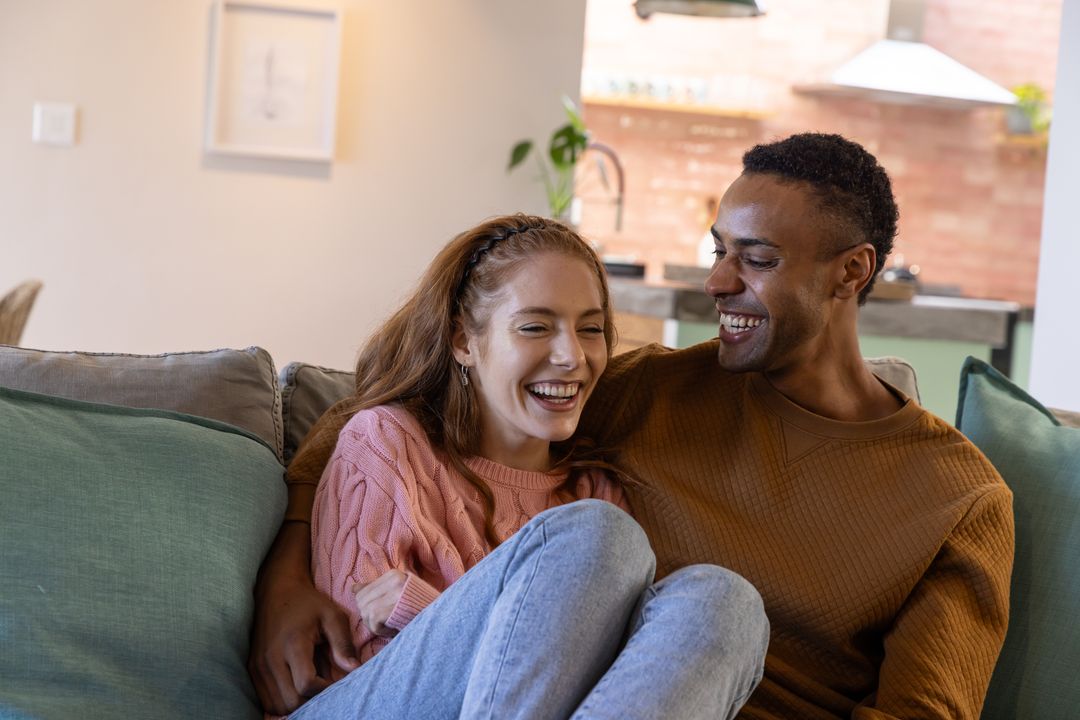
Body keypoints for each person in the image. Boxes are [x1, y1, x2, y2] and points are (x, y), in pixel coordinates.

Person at [252, 135, 1014, 719]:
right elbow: (397, 409)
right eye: (718, 251)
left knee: (723, 600)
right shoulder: (655, 390)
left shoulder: (961, 499)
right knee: (604, 539)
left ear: (851, 271)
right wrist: (285, 578)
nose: (717, 282)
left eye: (755, 259)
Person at [261, 214, 768, 719]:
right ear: (464, 342)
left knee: (727, 603)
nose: (571, 356)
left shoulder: (594, 490)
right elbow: (355, 661)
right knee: (596, 535)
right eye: (535, 327)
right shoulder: (387, 443)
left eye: (590, 329)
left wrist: (417, 604)